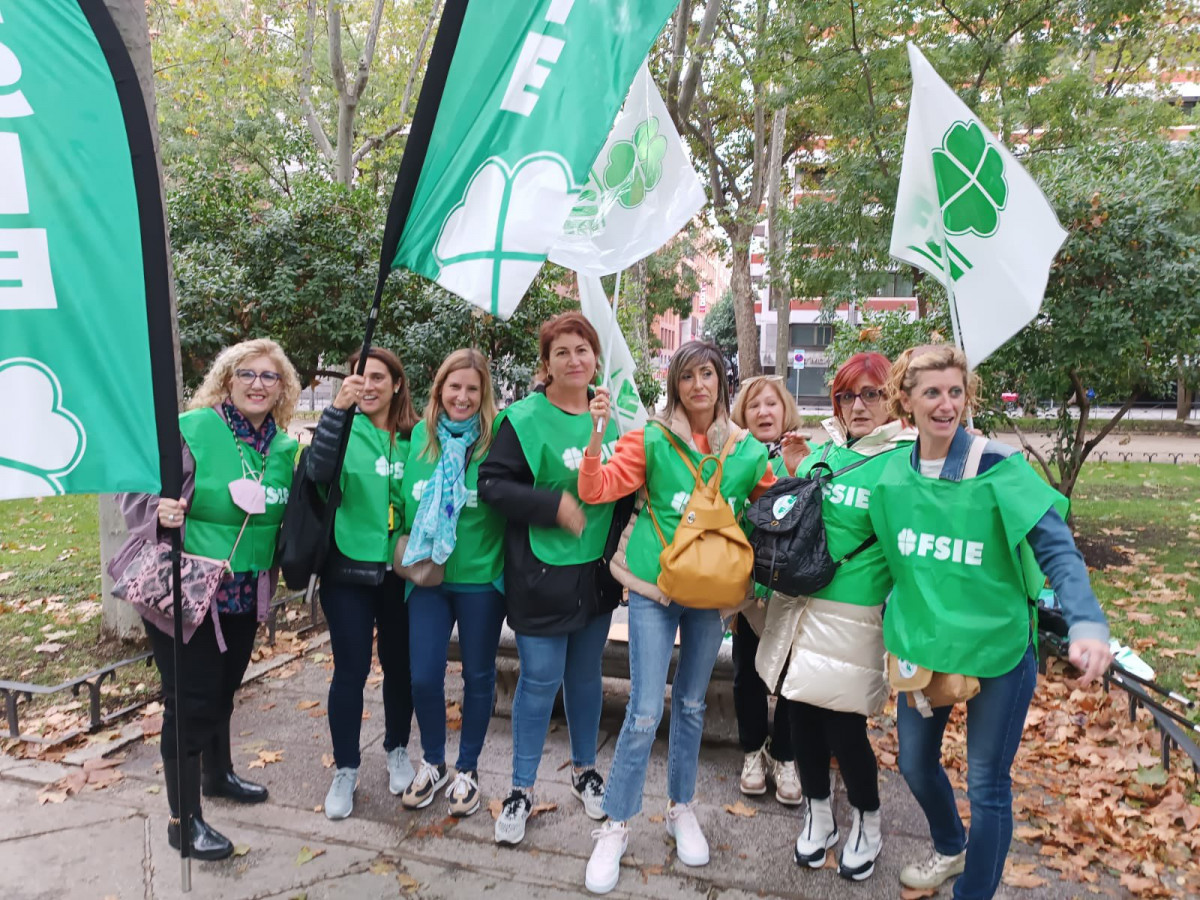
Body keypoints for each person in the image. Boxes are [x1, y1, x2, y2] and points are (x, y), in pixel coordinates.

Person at [870, 344, 1112, 898]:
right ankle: (952, 847)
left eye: (956, 391)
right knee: (913, 763)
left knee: (987, 785)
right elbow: (865, 550)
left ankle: (972, 891)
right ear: (905, 401)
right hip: (922, 645)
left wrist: (1087, 622)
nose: (946, 403)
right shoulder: (888, 473)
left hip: (997, 649)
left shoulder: (998, 467)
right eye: (931, 392)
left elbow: (1058, 551)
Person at [577, 340, 777, 895]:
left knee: (691, 704)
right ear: (675, 385)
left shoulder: (746, 451)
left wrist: (801, 472)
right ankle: (616, 824)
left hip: (713, 593)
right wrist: (597, 434)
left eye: (707, 374)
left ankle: (680, 806)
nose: (698, 385)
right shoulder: (652, 437)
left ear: (722, 381)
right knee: (643, 709)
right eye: (687, 375)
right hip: (654, 584)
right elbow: (594, 488)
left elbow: (771, 511)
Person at [109, 338, 301, 859]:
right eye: (247, 374)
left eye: (270, 376)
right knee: (190, 703)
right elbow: (135, 487)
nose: (258, 384)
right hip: (187, 588)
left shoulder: (284, 448)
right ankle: (182, 819)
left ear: (282, 388)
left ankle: (218, 775)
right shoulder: (189, 430)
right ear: (227, 379)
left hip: (245, 589)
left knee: (222, 692)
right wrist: (160, 512)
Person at [753, 352, 916, 881]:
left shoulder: (905, 458)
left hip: (852, 609)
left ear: (891, 398)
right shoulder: (823, 448)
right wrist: (800, 470)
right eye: (848, 394)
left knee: (844, 726)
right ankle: (818, 815)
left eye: (871, 393)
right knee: (798, 717)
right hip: (798, 604)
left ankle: (868, 820)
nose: (858, 405)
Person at [477, 313, 631, 846]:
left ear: (595, 359)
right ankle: (519, 788)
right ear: (546, 363)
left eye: (582, 350)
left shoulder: (610, 419)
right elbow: (493, 486)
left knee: (586, 676)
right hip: (541, 572)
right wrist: (553, 503)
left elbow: (626, 487)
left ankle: (586, 771)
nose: (573, 360)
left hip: (596, 574)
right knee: (540, 678)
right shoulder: (521, 420)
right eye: (561, 351)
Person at [307, 347, 419, 821]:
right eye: (359, 377)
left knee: (400, 668)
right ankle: (346, 768)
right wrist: (336, 411)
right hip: (348, 570)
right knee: (349, 670)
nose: (368, 385)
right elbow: (317, 471)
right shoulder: (341, 430)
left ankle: (396, 748)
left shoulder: (416, 437)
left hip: (402, 572)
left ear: (397, 384)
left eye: (378, 377)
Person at [399, 349, 506, 818]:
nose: (461, 397)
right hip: (427, 577)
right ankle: (434, 761)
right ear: (439, 388)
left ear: (483, 397)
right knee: (423, 674)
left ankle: (468, 768)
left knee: (479, 676)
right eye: (454, 386)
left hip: (481, 576)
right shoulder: (417, 440)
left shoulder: (496, 440)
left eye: (472, 389)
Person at [726, 376, 808, 806]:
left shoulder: (809, 455)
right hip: (746, 584)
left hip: (792, 587)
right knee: (747, 674)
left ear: (785, 409)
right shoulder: (736, 455)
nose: (763, 412)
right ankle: (753, 752)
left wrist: (797, 472)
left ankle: (785, 755)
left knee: (793, 674)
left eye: (771, 404)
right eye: (753, 404)